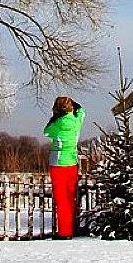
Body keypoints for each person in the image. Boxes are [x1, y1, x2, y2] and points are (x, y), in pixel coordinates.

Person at [43, 96, 85, 239]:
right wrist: (75, 104)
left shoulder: (57, 124)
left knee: (61, 200)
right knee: (70, 197)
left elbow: (46, 132)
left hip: (58, 163)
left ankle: (64, 232)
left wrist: (55, 117)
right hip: (72, 163)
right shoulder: (76, 122)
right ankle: (70, 230)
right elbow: (82, 112)